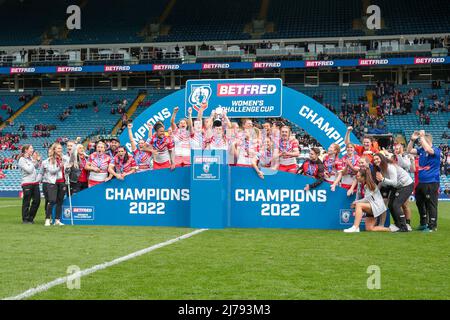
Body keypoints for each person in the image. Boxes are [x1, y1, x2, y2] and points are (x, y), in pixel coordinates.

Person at [407, 130, 441, 232]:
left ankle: (432, 226)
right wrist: (412, 140)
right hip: (421, 182)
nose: (420, 143)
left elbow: (428, 150)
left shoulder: (436, 150)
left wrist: (421, 136)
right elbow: (409, 150)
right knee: (419, 203)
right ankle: (423, 223)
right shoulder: (421, 150)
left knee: (431, 204)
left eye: (421, 141)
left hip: (431, 182)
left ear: (426, 141)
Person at [373, 153, 414, 232]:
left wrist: (382, 179)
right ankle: (398, 224)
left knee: (396, 205)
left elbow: (394, 182)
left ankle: (404, 227)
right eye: (374, 160)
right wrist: (376, 189)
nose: (375, 161)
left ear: (382, 158)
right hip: (398, 186)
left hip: (406, 185)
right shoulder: (381, 168)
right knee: (391, 205)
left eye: (377, 159)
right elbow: (384, 182)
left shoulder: (390, 167)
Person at [344, 169, 390, 233]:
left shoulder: (369, 184)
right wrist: (356, 202)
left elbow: (368, 199)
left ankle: (355, 227)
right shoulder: (361, 185)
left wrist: (356, 202)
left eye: (358, 176)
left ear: (363, 177)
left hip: (376, 206)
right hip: (372, 206)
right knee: (369, 228)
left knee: (359, 205)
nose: (356, 178)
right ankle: (389, 229)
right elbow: (361, 197)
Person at [40, 143, 69, 226]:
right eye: (58, 148)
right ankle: (47, 219)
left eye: (61, 148)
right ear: (54, 150)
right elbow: (52, 171)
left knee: (60, 201)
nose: (60, 150)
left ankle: (57, 220)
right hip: (53, 182)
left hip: (62, 181)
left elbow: (67, 169)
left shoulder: (64, 158)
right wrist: (60, 167)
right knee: (52, 200)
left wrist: (67, 169)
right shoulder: (50, 160)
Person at [18, 145, 41, 224]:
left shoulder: (31, 159)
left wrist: (37, 161)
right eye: (31, 148)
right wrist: (34, 161)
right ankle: (25, 219)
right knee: (26, 201)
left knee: (37, 201)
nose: (33, 149)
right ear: (26, 150)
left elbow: (36, 167)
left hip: (35, 182)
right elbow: (29, 170)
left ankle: (31, 217)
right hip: (27, 183)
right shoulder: (22, 159)